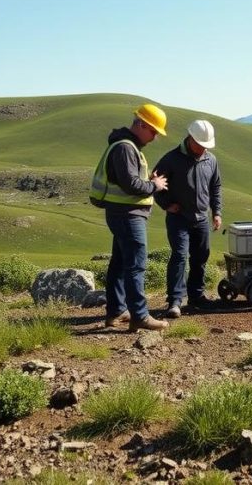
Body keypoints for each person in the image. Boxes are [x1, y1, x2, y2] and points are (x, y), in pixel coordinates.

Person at [89, 103, 170, 331]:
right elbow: (130, 184)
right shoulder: (125, 148)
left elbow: (129, 180)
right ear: (141, 124)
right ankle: (140, 316)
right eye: (153, 131)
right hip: (127, 215)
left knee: (120, 263)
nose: (154, 137)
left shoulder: (126, 146)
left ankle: (116, 312)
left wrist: (148, 180)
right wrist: (153, 185)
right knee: (136, 265)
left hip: (122, 214)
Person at [154, 119, 222, 318]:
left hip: (201, 217)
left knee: (201, 257)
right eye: (200, 145)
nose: (203, 149)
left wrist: (216, 212)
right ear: (190, 138)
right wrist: (166, 204)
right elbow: (155, 183)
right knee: (180, 256)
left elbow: (215, 187)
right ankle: (175, 301)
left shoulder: (211, 160)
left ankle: (196, 297)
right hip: (179, 218)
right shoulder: (171, 159)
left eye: (206, 146)